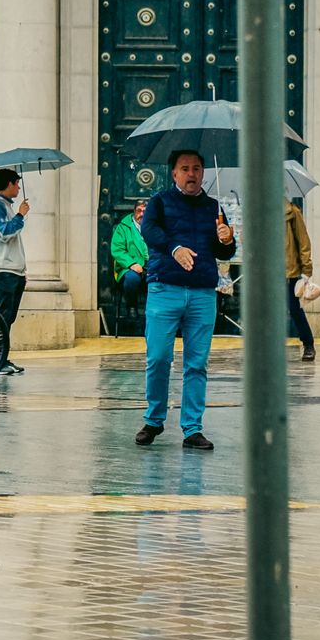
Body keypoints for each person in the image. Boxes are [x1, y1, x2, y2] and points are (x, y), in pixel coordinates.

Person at [135, 149, 237, 450]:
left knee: (197, 363)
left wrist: (227, 240)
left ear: (203, 172)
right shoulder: (159, 202)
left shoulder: (214, 207)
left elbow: (224, 254)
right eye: (185, 168)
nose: (191, 174)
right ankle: (154, 419)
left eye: (196, 168)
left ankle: (192, 428)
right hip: (164, 288)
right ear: (174, 174)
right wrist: (174, 248)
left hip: (203, 293)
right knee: (158, 358)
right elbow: (149, 231)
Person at [0, 168, 29, 375]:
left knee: (8, 317)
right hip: (4, 270)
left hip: (14, 270)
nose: (19, 187)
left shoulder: (5, 207)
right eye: (16, 183)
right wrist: (21, 214)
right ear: (9, 184)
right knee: (2, 316)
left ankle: (3, 358)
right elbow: (4, 232)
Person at [285, 199, 317, 361]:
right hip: (265, 272)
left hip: (289, 272)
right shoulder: (258, 214)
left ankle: (308, 344)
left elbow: (304, 243)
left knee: (295, 310)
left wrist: (306, 271)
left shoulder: (292, 213)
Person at [110, 198, 148, 318]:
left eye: (145, 211)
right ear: (134, 211)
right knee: (132, 278)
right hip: (128, 267)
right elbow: (118, 250)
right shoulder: (123, 227)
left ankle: (155, 313)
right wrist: (132, 264)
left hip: (150, 266)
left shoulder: (155, 227)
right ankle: (131, 306)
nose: (142, 214)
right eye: (139, 210)